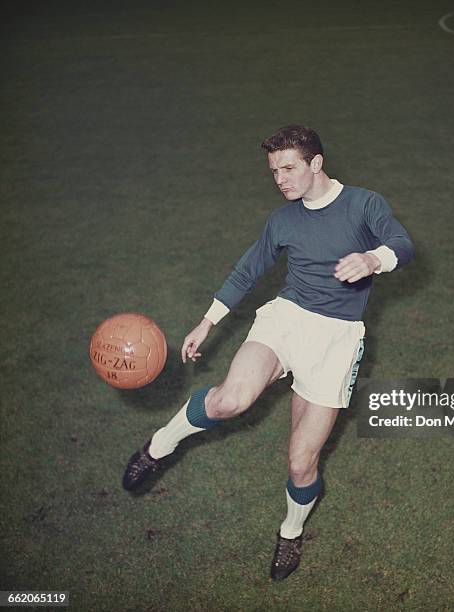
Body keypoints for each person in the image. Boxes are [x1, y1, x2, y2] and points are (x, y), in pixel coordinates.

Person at [122, 125, 414, 581]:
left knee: (301, 462)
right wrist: (207, 321)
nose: (280, 179)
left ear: (316, 163)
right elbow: (249, 268)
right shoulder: (283, 220)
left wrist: (374, 259)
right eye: (274, 170)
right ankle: (159, 446)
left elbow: (402, 244)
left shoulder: (363, 204)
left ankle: (290, 532)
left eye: (289, 167)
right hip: (286, 319)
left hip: (336, 338)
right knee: (228, 401)